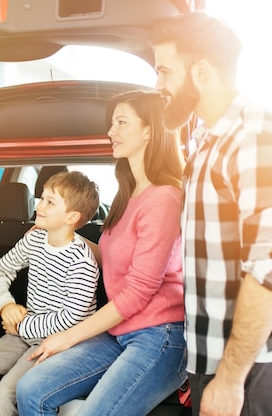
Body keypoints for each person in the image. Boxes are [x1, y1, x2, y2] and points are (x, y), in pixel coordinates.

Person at [150, 11, 272, 416]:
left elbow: (269, 267)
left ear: (201, 71)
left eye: (165, 72)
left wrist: (229, 379)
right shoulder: (208, 139)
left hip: (255, 364)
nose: (158, 86)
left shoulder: (255, 138)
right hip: (218, 356)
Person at [16, 90, 187, 416]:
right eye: (112, 123)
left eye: (121, 122)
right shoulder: (129, 193)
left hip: (160, 336)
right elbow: (114, 258)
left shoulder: (165, 198)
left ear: (150, 129)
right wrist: (59, 235)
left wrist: (66, 337)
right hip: (119, 331)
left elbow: (138, 292)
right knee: (31, 388)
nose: (111, 131)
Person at [0, 171, 101, 416]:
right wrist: (5, 305)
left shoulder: (81, 260)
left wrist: (23, 326)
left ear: (72, 217)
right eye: (41, 198)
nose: (39, 206)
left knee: (7, 393)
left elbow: (72, 317)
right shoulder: (35, 240)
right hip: (23, 331)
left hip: (59, 342)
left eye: (50, 202)